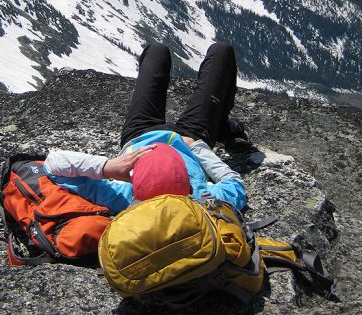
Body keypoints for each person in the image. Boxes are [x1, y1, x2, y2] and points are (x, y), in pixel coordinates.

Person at [42, 42, 247, 213]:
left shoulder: (124, 197)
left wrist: (108, 167)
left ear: (136, 184)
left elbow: (52, 165)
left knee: (156, 50)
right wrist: (195, 148)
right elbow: (234, 183)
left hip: (140, 133)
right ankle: (220, 125)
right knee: (222, 51)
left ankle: (218, 124)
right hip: (190, 137)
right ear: (188, 185)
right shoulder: (201, 198)